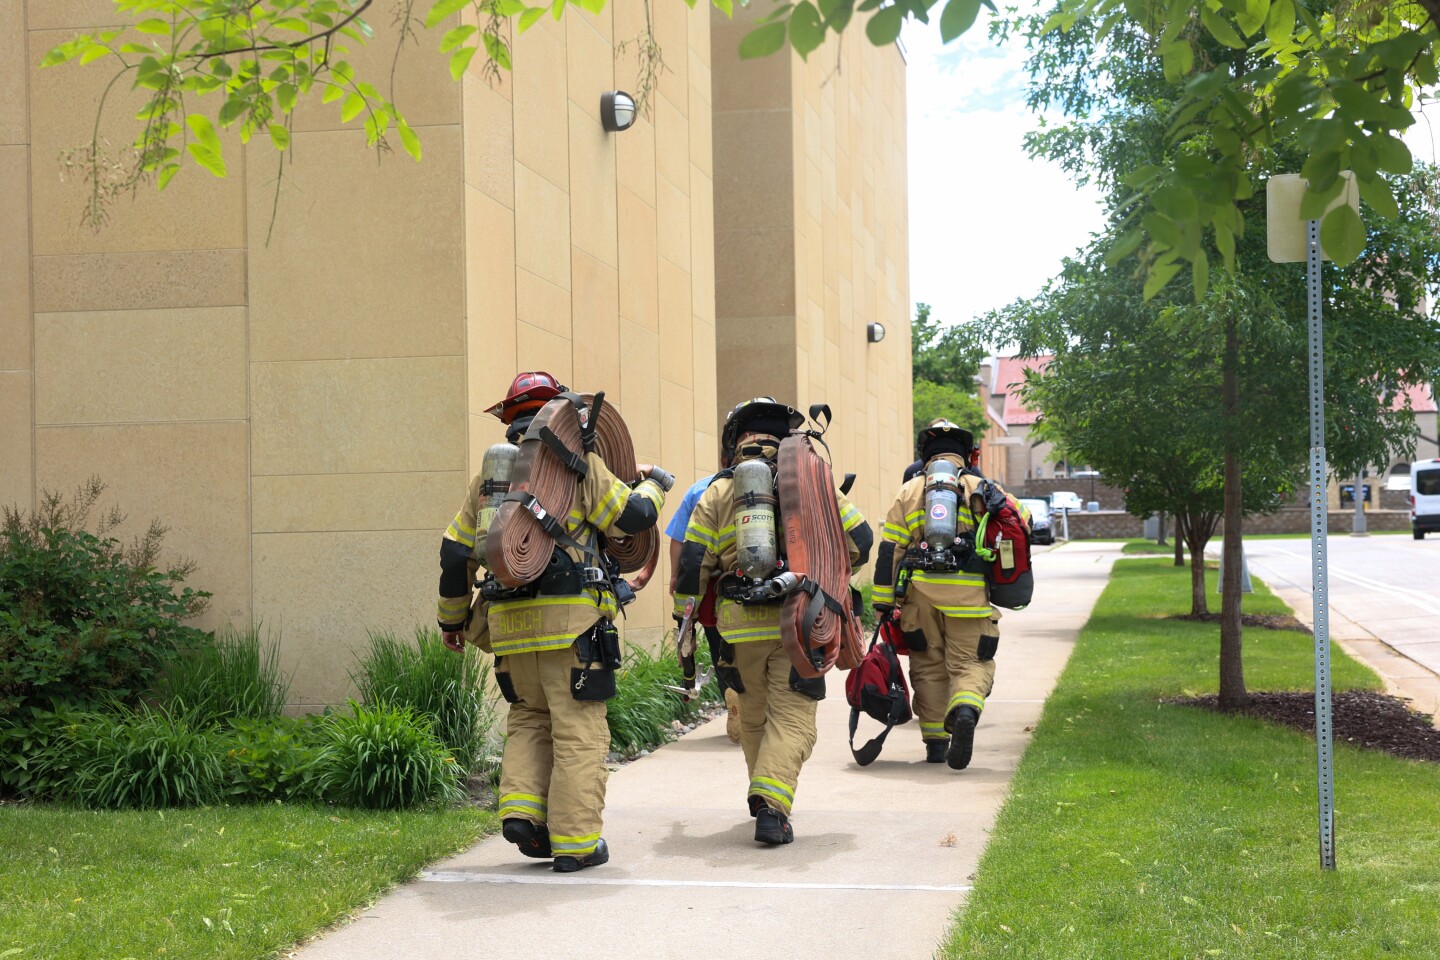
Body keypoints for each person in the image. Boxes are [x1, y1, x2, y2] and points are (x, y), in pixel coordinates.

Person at [437, 371, 671, 872]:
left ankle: (523, 815)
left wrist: (452, 620)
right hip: (571, 629)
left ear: (511, 419)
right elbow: (629, 519)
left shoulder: (489, 479)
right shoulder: (580, 464)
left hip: (508, 627)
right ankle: (577, 842)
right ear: (563, 413)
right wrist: (654, 485)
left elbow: (455, 553)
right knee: (579, 731)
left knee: (528, 717)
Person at [673, 398, 872, 846]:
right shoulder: (811, 481)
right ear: (784, 436)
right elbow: (861, 540)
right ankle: (771, 803)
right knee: (795, 718)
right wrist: (825, 572)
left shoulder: (718, 491)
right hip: (799, 624)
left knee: (756, 718)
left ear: (735, 442)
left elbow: (691, 566)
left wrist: (683, 620)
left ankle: (764, 796)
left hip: (738, 628)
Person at [872, 419, 1024, 770]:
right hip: (968, 595)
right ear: (964, 454)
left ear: (924, 455)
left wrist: (883, 603)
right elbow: (1022, 520)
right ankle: (966, 708)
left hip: (920, 597)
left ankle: (936, 745)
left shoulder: (909, 491)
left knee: (927, 667)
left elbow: (889, 550)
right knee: (971, 662)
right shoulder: (982, 487)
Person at [664, 451, 742, 743]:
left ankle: (732, 699)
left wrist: (675, 576)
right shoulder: (775, 484)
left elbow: (679, 539)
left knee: (720, 646)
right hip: (762, 585)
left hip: (710, 588)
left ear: (723, 457)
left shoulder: (701, 489)